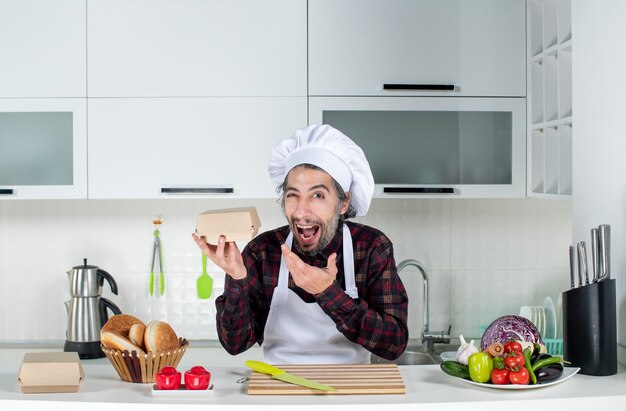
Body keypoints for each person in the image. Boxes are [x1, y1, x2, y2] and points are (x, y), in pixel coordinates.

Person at [192, 124, 408, 364]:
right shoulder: (261, 252)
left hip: (349, 393)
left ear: (344, 202)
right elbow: (235, 344)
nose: (301, 210)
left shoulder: (371, 248)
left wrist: (329, 293)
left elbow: (394, 344)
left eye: (317, 195)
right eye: (292, 195)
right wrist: (236, 277)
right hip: (279, 393)